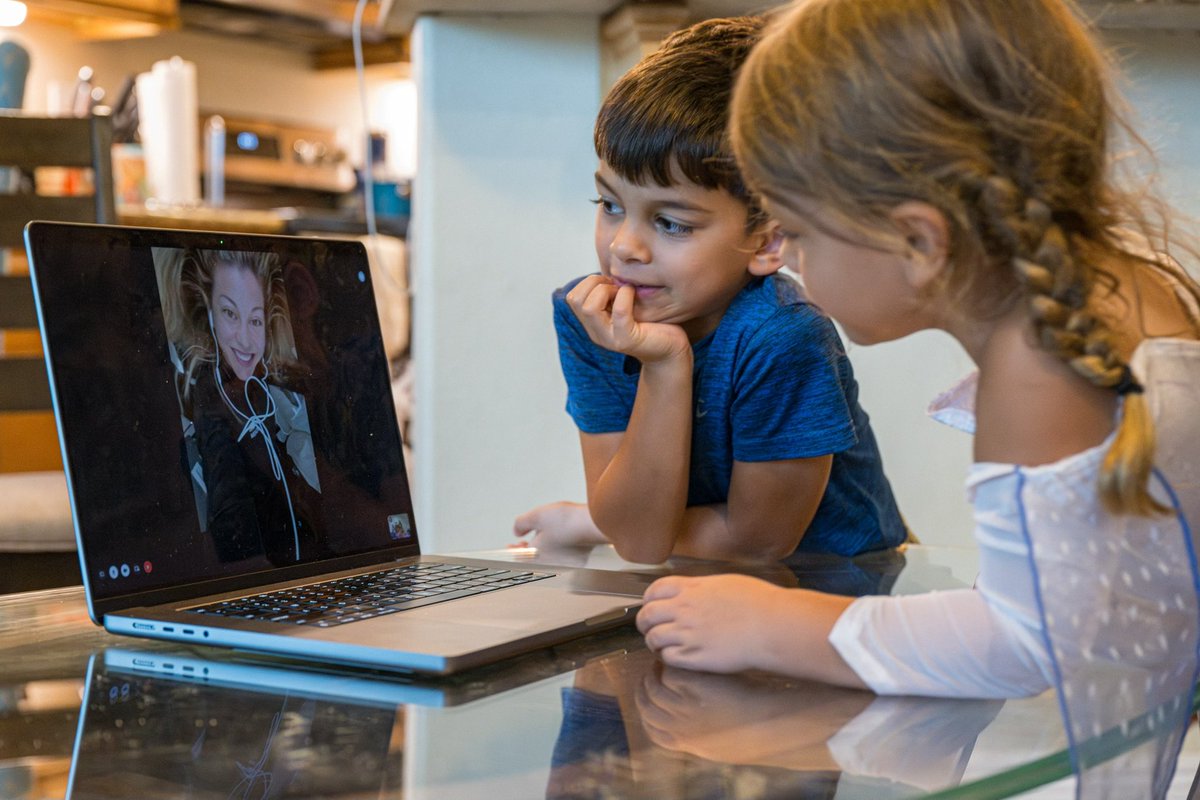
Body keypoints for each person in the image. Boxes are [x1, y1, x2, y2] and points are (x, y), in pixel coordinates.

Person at [637, 0, 1200, 793]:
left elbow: (1018, 643)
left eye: (797, 230)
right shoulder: (1132, 293)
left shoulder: (1039, 363)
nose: (788, 258)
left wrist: (779, 626)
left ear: (919, 240)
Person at [514, 16, 907, 565]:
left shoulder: (781, 336)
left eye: (671, 223)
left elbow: (757, 544)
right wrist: (666, 363)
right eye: (610, 205)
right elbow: (638, 539)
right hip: (701, 575)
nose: (625, 247)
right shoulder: (588, 316)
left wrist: (591, 522)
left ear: (770, 241)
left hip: (841, 580)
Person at [157, 247, 323, 566]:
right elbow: (234, 543)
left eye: (255, 320)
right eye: (230, 314)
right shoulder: (202, 404)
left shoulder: (287, 398)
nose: (246, 341)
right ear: (209, 317)